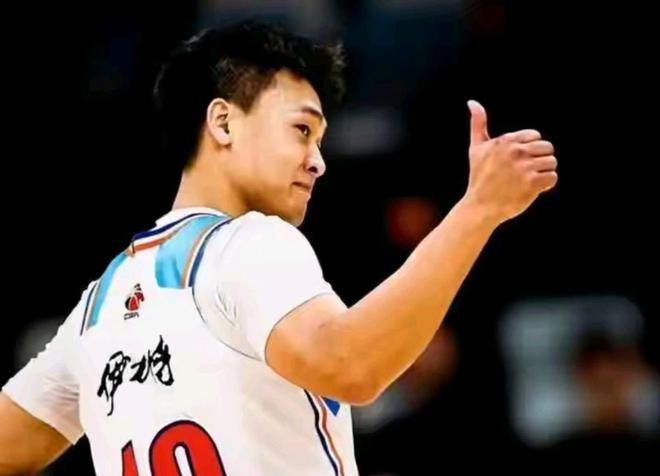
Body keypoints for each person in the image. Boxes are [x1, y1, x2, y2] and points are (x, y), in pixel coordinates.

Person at [0, 20, 557, 476]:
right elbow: (352, 365)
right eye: (302, 130)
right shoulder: (246, 243)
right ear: (223, 122)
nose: (318, 161)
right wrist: (479, 210)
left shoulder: (99, 304)